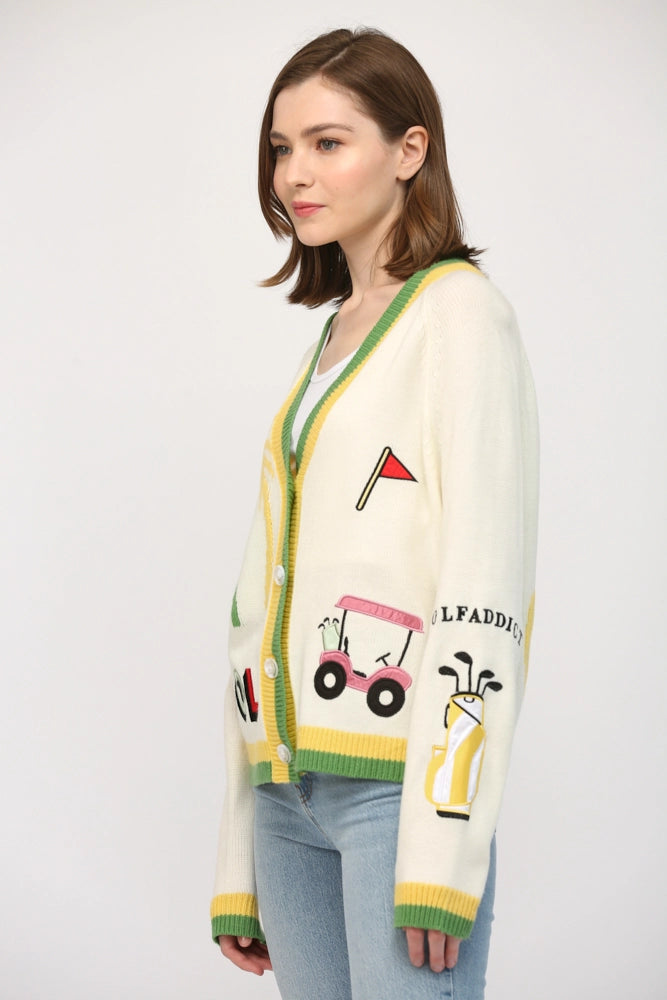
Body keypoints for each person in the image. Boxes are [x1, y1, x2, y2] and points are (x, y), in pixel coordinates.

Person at [210, 26, 539, 1000]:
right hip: (287, 797)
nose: (294, 174)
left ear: (408, 150)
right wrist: (239, 859)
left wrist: (444, 850)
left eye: (327, 142)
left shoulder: (459, 315)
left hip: (398, 798)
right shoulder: (330, 337)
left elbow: (484, 585)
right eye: (282, 147)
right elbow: (257, 606)